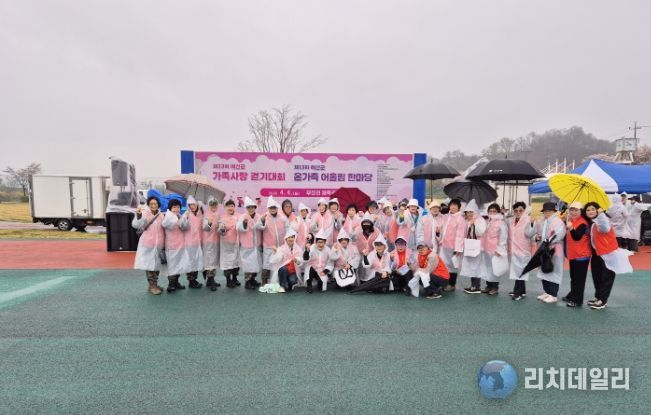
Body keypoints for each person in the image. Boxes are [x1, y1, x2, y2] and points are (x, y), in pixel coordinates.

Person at [585, 201, 633, 310]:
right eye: (588, 210)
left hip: (608, 254)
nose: (590, 211)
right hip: (597, 254)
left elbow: (605, 228)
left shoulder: (603, 220)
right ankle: (598, 297)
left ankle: (603, 300)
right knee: (597, 277)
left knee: (606, 278)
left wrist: (601, 214)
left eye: (593, 209)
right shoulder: (593, 222)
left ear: (598, 210)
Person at [533, 201, 566, 304]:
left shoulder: (558, 222)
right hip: (543, 250)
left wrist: (548, 241)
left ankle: (553, 294)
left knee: (554, 271)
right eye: (545, 211)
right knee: (544, 269)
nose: (547, 213)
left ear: (554, 211)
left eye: (549, 211)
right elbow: (536, 234)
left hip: (554, 250)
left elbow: (560, 235)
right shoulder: (541, 221)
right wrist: (537, 237)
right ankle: (547, 292)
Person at [132, 196, 166, 295]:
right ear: (148, 205)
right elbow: (136, 225)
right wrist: (138, 215)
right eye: (151, 204)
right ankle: (152, 286)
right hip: (148, 244)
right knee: (149, 265)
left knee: (157, 265)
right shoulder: (144, 213)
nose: (153, 205)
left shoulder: (161, 215)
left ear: (158, 205)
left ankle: (154, 284)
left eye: (155, 203)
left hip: (159, 244)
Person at [562, 201, 592, 307]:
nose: (573, 212)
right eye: (571, 210)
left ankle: (577, 300)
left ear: (580, 211)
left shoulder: (583, 223)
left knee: (579, 279)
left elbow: (577, 237)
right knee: (574, 278)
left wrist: (571, 228)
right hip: (574, 254)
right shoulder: (572, 220)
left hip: (581, 255)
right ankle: (572, 295)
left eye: (576, 210)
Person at [257, 196, 288, 285]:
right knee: (267, 264)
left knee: (280, 263)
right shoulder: (264, 216)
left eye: (274, 207)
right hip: (268, 246)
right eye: (271, 208)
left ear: (277, 208)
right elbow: (258, 227)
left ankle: (279, 281)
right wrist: (262, 221)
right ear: (268, 208)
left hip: (280, 246)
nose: (273, 209)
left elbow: (288, 229)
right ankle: (264, 282)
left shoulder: (282, 217)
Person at [507, 201, 535, 301]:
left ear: (524, 211)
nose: (518, 212)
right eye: (516, 210)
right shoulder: (512, 221)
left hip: (523, 250)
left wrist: (532, 224)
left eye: (520, 210)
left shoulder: (528, 220)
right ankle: (522, 291)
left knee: (520, 271)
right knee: (518, 271)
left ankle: (517, 293)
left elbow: (530, 234)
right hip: (514, 250)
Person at [479, 203, 508, 295]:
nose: (492, 213)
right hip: (486, 248)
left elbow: (503, 237)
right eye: (490, 211)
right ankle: (489, 286)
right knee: (488, 268)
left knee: (495, 268)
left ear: (498, 212)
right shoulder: (487, 221)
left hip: (495, 249)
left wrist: (500, 249)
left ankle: (495, 287)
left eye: (494, 211)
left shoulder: (501, 222)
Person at [162, 199, 190, 293]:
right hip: (172, 245)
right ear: (170, 208)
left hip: (180, 245)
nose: (176, 209)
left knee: (179, 264)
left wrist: (186, 218)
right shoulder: (168, 216)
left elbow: (185, 227)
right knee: (172, 265)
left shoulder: (179, 215)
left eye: (178, 207)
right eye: (174, 207)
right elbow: (166, 224)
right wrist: (184, 217)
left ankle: (176, 282)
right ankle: (171, 284)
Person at [460, 200, 487, 294]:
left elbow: (480, 232)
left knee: (476, 266)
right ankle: (473, 285)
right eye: (467, 212)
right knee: (471, 266)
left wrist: (473, 224)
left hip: (478, 247)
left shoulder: (480, 220)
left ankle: (476, 287)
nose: (469, 214)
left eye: (471, 212)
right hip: (470, 246)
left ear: (475, 211)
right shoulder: (467, 220)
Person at [237, 196, 263, 289]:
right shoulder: (242, 217)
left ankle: (253, 280)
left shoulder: (259, 217)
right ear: (246, 208)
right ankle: (247, 282)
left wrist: (263, 222)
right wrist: (244, 223)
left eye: (252, 207)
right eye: (249, 207)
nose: (251, 209)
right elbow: (238, 227)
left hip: (257, 244)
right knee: (248, 264)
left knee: (256, 264)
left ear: (255, 208)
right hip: (247, 245)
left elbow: (263, 227)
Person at [439, 198, 465, 291]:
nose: (453, 207)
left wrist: (458, 248)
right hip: (444, 245)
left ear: (459, 207)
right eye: (451, 205)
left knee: (453, 265)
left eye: (455, 205)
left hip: (453, 246)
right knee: (445, 264)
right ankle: (445, 283)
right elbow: (443, 230)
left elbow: (460, 235)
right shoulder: (447, 216)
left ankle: (452, 284)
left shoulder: (460, 219)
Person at [178, 196, 204, 289]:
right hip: (189, 242)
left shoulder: (201, 214)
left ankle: (194, 279)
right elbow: (181, 226)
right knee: (190, 262)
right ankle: (191, 281)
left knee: (196, 261)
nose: (192, 206)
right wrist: (186, 218)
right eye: (190, 205)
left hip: (198, 242)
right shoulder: (186, 214)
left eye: (193, 204)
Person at [268, 228, 304, 292]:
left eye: (292, 237)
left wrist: (296, 260)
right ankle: (282, 286)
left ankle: (289, 284)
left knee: (293, 280)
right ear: (286, 239)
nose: (291, 239)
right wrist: (275, 252)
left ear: (294, 238)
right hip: (284, 270)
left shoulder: (298, 249)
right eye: (289, 237)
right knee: (283, 269)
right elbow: (278, 259)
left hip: (292, 271)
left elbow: (301, 261)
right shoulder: (281, 248)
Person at [219, 199, 241, 288]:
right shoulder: (222, 217)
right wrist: (222, 229)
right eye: (228, 206)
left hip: (237, 243)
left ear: (234, 207)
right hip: (227, 244)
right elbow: (220, 231)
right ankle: (228, 280)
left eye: (232, 206)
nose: (230, 208)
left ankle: (235, 278)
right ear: (225, 208)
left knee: (236, 262)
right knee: (228, 263)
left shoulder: (239, 216)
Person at [201, 197, 221, 291]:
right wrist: (209, 223)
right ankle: (210, 279)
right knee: (209, 260)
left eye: (215, 206)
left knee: (213, 260)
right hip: (208, 241)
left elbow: (219, 226)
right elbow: (205, 228)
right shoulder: (206, 215)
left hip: (215, 241)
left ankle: (210, 280)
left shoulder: (217, 214)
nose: (214, 207)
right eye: (212, 206)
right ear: (209, 206)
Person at [356, 212, 380, 282]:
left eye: (368, 223)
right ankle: (361, 280)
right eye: (364, 223)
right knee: (362, 268)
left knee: (371, 269)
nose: (366, 225)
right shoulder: (358, 230)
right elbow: (353, 241)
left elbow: (379, 242)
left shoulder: (376, 231)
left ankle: (370, 281)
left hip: (372, 253)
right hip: (361, 253)